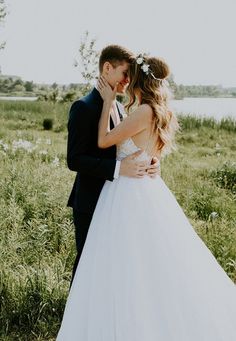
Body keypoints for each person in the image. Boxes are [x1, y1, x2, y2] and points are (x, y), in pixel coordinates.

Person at [57, 54, 236, 340]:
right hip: (129, 192)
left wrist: (108, 108)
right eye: (123, 74)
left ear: (139, 79)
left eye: (130, 76)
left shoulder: (137, 110)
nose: (126, 81)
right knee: (122, 263)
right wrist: (147, 160)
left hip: (128, 195)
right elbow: (80, 157)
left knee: (130, 263)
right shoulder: (139, 109)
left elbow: (105, 142)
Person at [67, 45, 159, 282]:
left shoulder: (118, 105)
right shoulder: (83, 107)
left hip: (119, 202)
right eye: (125, 73)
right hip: (91, 199)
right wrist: (119, 169)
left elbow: (128, 144)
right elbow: (74, 159)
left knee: (112, 262)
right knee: (87, 261)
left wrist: (150, 161)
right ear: (107, 68)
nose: (128, 81)